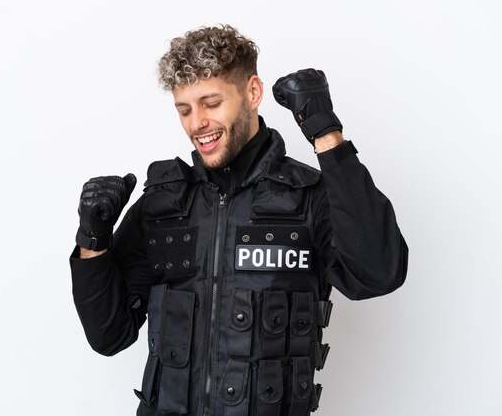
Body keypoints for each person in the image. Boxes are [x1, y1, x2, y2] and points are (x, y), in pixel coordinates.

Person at [70, 24, 408, 416]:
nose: (197, 123)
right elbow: (109, 335)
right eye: (184, 109)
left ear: (252, 93)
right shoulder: (164, 205)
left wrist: (326, 133)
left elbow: (379, 273)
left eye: (211, 103)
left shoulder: (308, 196)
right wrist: (93, 240)